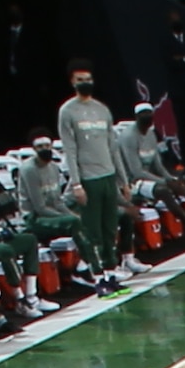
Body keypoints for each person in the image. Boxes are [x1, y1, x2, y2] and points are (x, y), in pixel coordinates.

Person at [58, 67, 128, 267]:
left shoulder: (102, 109)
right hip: (88, 178)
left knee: (110, 227)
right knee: (93, 230)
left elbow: (113, 148)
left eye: (88, 78)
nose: (85, 82)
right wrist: (76, 184)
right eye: (80, 79)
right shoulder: (67, 111)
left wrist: (123, 181)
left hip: (108, 175)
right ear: (73, 82)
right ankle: (98, 273)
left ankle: (112, 270)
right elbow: (70, 150)